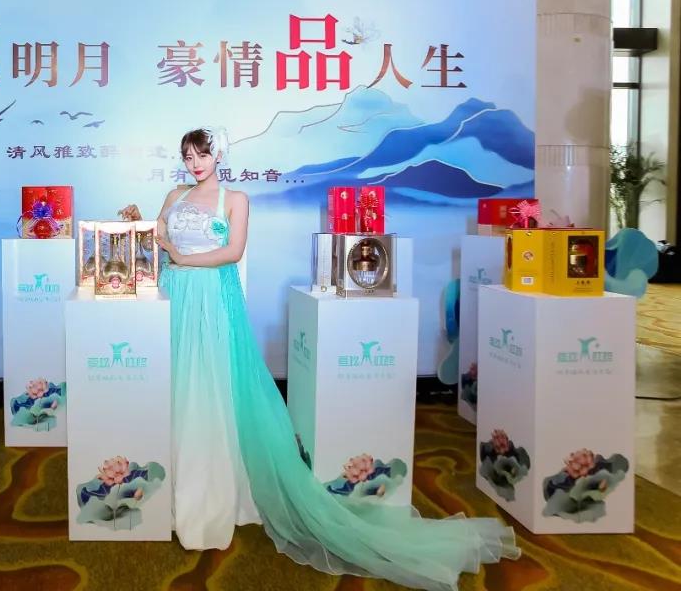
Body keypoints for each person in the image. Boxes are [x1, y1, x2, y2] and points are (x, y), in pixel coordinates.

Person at [119, 127, 520, 591]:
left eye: (202, 155)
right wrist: (140, 225)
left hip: (211, 299)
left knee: (209, 391)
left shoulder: (236, 199)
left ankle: (209, 496)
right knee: (176, 388)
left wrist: (181, 258)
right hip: (176, 297)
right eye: (188, 157)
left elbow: (233, 252)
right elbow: (158, 239)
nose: (195, 164)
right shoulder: (174, 195)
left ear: (218, 156)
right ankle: (171, 488)